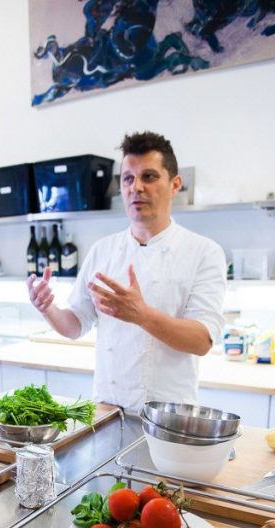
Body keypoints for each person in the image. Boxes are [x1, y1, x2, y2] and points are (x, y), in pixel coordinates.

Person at [27, 131, 225, 410]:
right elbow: (75, 325)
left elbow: (202, 340)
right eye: (128, 179)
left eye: (150, 176)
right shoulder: (102, 251)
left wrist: (141, 314)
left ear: (175, 184)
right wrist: (48, 309)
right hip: (108, 410)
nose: (137, 188)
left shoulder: (204, 252)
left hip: (170, 418)